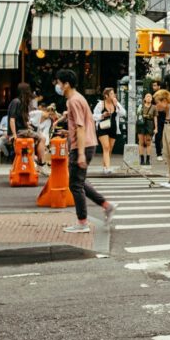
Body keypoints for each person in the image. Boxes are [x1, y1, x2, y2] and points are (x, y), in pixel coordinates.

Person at [54, 69, 117, 233]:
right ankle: (106, 205)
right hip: (86, 143)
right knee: (78, 181)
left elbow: (81, 127)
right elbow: (83, 124)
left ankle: (82, 222)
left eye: (59, 83)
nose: (58, 86)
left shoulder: (73, 101)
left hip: (82, 146)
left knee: (75, 185)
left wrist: (80, 152)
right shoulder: (77, 99)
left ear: (66, 84)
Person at [8, 83, 45, 169]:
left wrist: (28, 125)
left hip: (21, 131)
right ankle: (41, 163)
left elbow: (18, 120)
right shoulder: (17, 102)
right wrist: (14, 135)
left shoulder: (18, 102)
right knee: (42, 138)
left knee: (34, 139)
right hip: (19, 132)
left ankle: (36, 160)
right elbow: (12, 120)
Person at [92, 87, 126, 175]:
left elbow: (123, 113)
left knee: (109, 149)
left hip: (113, 128)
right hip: (103, 128)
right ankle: (107, 168)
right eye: (111, 94)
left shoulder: (116, 103)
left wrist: (117, 105)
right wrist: (102, 115)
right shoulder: (101, 104)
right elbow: (93, 116)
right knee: (106, 147)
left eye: (113, 93)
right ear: (106, 96)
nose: (114, 95)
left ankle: (104, 167)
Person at [136, 93, 155, 167]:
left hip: (150, 125)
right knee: (141, 142)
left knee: (148, 142)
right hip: (141, 125)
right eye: (147, 96)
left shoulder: (154, 107)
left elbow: (155, 118)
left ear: (152, 98)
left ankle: (148, 159)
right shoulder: (141, 106)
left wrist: (156, 128)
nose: (149, 98)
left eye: (150, 96)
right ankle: (141, 159)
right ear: (144, 98)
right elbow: (138, 115)